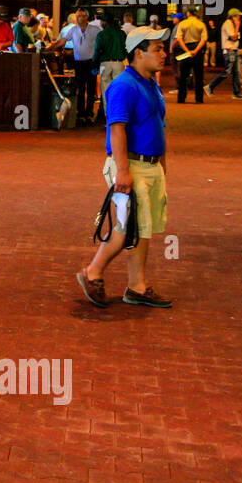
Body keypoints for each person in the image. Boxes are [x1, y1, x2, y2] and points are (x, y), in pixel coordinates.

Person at [76, 26, 173, 310]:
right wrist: (122, 171)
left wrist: (161, 164)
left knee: (140, 229)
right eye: (157, 49)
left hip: (147, 165)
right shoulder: (124, 85)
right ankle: (92, 272)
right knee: (126, 228)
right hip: (130, 164)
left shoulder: (149, 83)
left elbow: (157, 126)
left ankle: (137, 286)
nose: (163, 54)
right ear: (138, 53)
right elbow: (116, 129)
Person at [47, 8, 101, 125]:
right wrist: (51, 47)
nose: (78, 18)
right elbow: (63, 41)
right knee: (80, 89)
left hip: (91, 62)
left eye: (80, 16)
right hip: (79, 63)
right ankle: (81, 114)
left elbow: (101, 44)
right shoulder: (73, 30)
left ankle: (89, 113)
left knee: (91, 89)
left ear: (86, 17)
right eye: (77, 16)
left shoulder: (95, 30)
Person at [171, 5, 208, 103]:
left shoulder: (182, 24)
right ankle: (199, 99)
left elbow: (179, 38)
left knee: (183, 75)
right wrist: (196, 50)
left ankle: (181, 98)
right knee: (199, 76)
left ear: (188, 13)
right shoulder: (201, 24)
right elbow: (204, 39)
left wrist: (187, 50)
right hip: (198, 50)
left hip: (185, 49)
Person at [94, 12, 127, 116]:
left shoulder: (101, 34)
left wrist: (94, 65)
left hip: (105, 64)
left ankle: (110, 117)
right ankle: (120, 115)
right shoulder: (122, 34)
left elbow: (97, 51)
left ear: (105, 22)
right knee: (119, 91)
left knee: (106, 93)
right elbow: (126, 49)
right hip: (119, 63)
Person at [207, 8, 242, 98]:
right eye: (238, 16)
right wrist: (238, 26)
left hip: (233, 50)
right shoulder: (228, 23)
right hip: (229, 50)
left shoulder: (231, 24)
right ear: (233, 16)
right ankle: (210, 86)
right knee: (227, 71)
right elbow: (234, 37)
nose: (239, 17)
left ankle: (237, 93)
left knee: (236, 72)